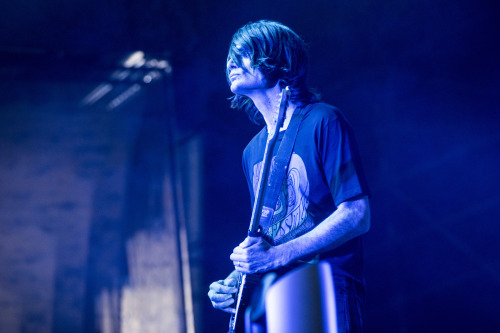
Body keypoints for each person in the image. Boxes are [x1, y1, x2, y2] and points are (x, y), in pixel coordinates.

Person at [208, 20, 371, 332]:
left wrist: (274, 257)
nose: (230, 61)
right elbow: (273, 232)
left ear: (279, 60)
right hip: (273, 296)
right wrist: (235, 280)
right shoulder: (252, 151)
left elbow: (357, 214)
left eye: (245, 52)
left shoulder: (325, 121)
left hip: (323, 285)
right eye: (230, 53)